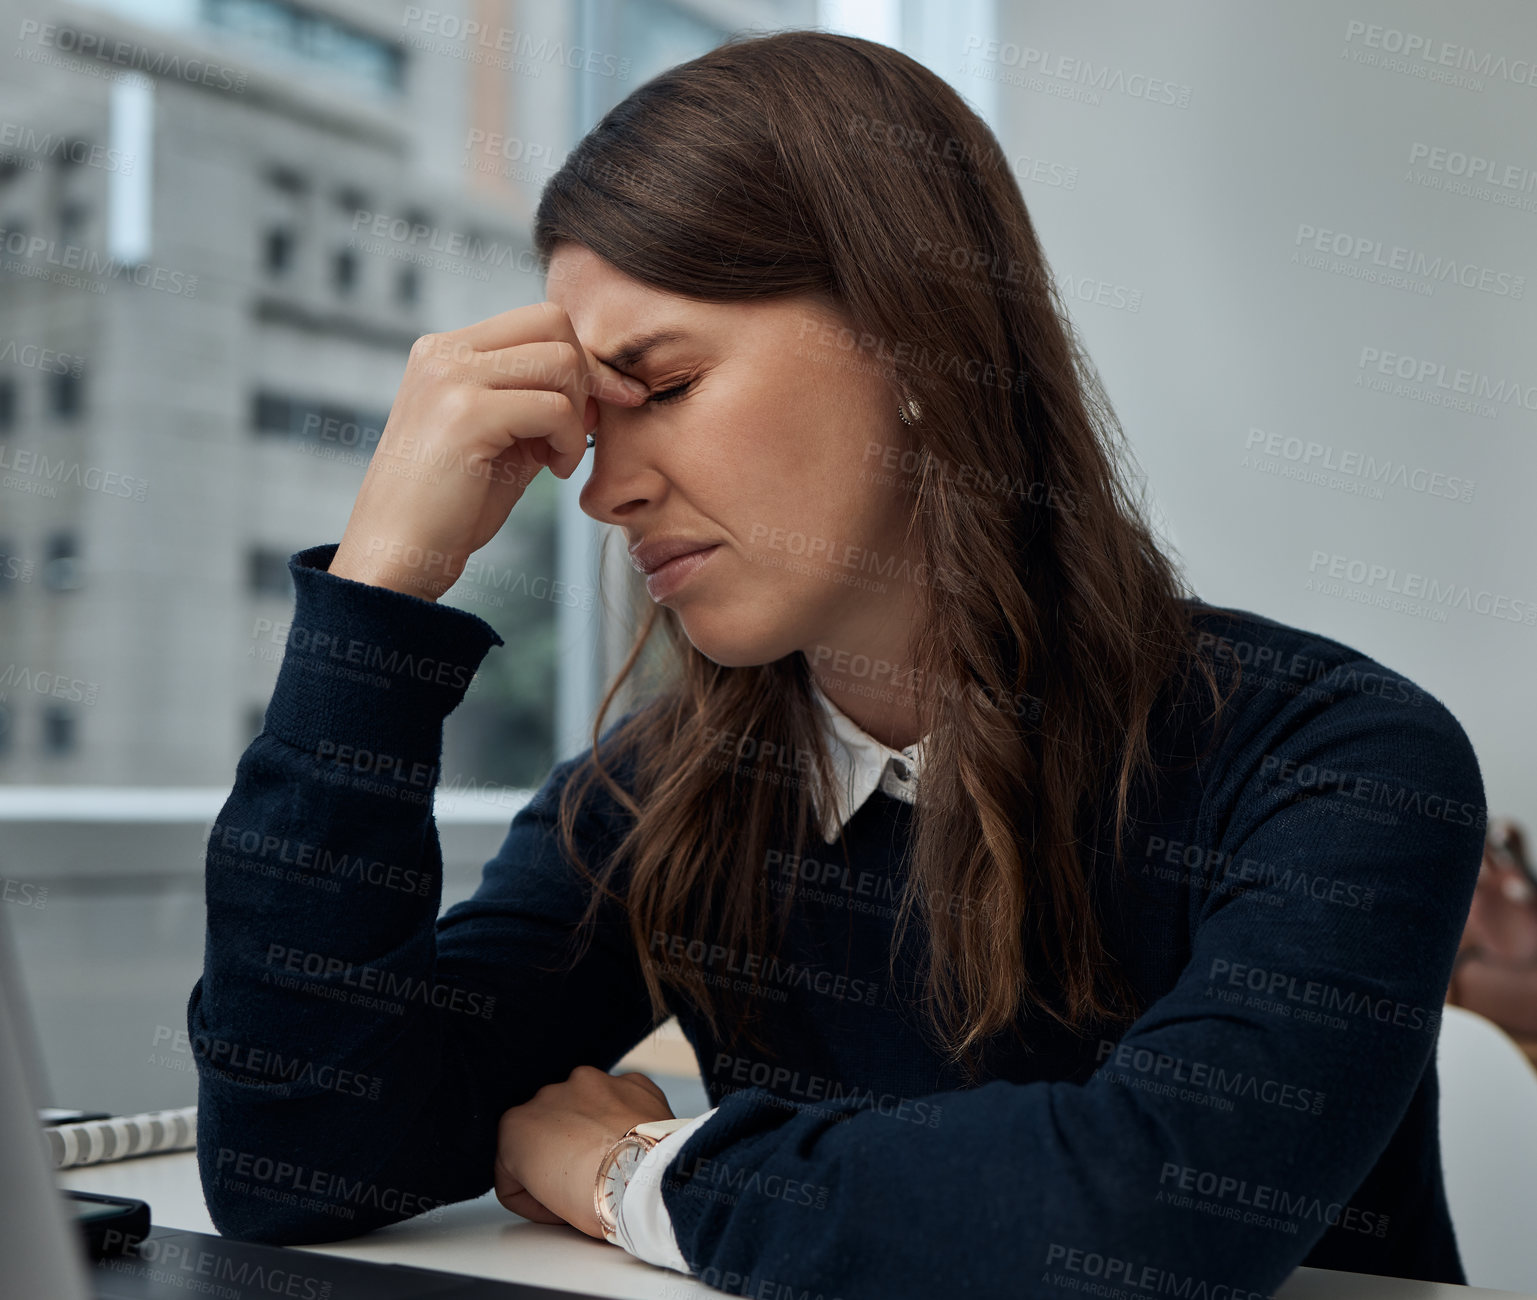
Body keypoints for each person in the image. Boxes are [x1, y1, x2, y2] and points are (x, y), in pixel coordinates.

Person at [189, 30, 1489, 1300]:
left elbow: (1146, 1225)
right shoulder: (662, 793)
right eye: (592, 421)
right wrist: (375, 596)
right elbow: (298, 1152)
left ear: (915, 343)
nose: (604, 494)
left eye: (666, 384)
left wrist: (642, 1170)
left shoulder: (1338, 763)